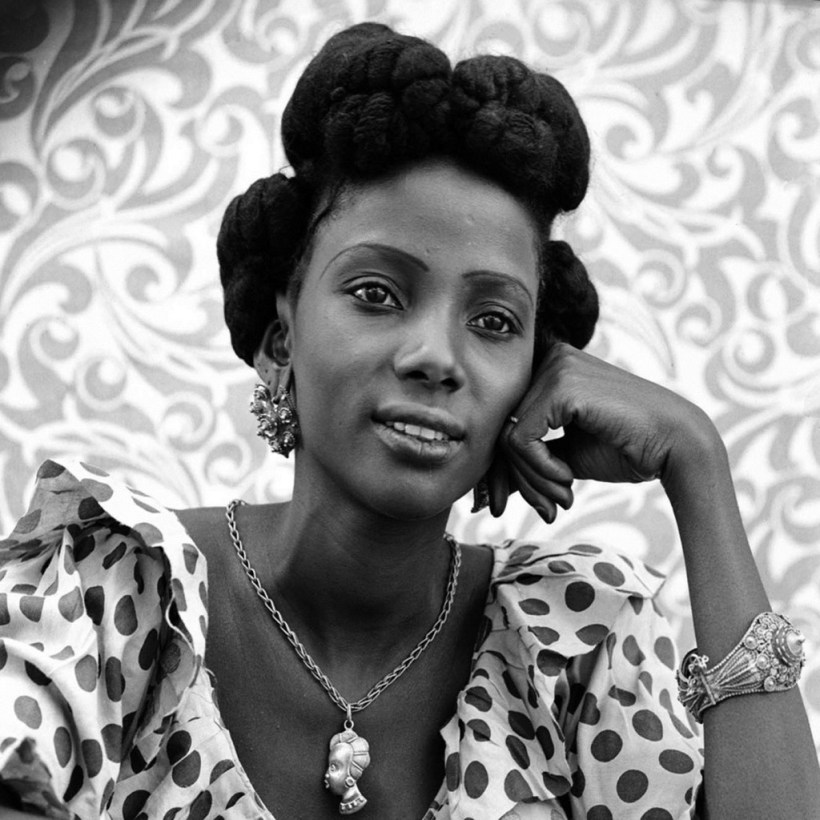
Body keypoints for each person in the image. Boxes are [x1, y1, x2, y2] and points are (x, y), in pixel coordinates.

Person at [1, 21, 818, 820]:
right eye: (377, 293)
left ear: (534, 377)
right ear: (282, 338)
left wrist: (696, 464)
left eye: (494, 321)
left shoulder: (574, 648)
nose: (436, 357)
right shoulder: (109, 600)